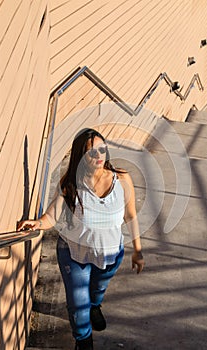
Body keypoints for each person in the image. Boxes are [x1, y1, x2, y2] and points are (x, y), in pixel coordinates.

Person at [18, 128, 144, 350]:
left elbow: (131, 215)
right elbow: (52, 216)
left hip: (110, 253)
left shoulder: (122, 178)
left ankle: (95, 305)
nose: (98, 156)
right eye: (90, 152)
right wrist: (38, 223)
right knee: (78, 304)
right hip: (74, 254)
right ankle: (83, 340)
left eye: (101, 149)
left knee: (97, 289)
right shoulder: (71, 183)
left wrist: (137, 250)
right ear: (81, 156)